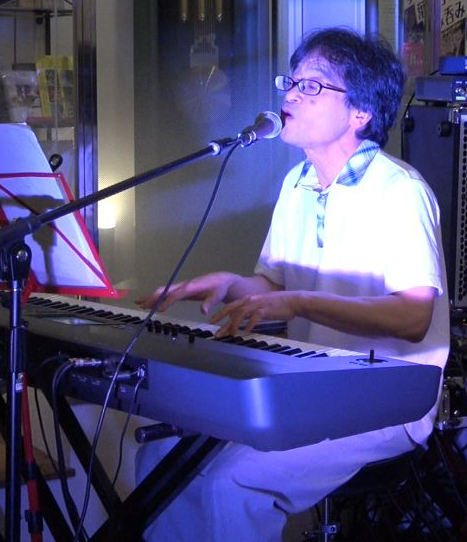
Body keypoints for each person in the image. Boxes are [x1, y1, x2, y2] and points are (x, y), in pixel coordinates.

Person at [134, 27, 450, 542]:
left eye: (312, 86)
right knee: (159, 454)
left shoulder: (399, 191)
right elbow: (273, 284)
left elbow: (413, 317)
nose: (291, 95)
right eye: (292, 82)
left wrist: (300, 301)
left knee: (232, 481)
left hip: (392, 401)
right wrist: (230, 284)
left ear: (360, 112)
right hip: (312, 385)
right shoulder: (296, 184)